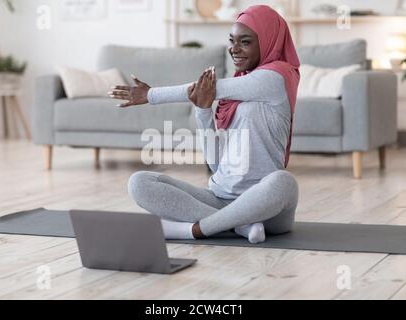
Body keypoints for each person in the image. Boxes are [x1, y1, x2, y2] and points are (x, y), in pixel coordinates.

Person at [109, 5, 300, 244]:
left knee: (284, 182)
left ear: (269, 40)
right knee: (139, 182)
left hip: (266, 207)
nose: (234, 49)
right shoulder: (232, 95)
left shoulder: (277, 77)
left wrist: (151, 95)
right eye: (232, 41)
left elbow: (206, 88)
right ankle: (240, 227)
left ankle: (194, 230)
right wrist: (202, 110)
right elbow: (216, 163)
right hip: (221, 197)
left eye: (245, 42)